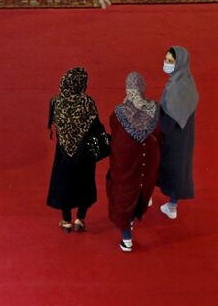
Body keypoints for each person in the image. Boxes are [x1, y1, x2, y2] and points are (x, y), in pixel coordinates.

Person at [107, 72, 162, 252]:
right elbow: (160, 135)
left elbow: (115, 132)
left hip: (126, 160)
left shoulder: (119, 113)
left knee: (123, 191)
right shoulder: (154, 109)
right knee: (140, 188)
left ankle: (127, 238)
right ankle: (134, 217)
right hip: (148, 159)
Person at [46, 67, 106, 233]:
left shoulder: (56, 101)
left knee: (64, 184)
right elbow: (96, 128)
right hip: (84, 154)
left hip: (63, 153)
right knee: (84, 185)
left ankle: (66, 221)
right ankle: (80, 219)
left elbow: (52, 124)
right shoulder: (87, 103)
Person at [158, 46, 199, 220]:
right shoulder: (188, 82)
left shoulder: (174, 89)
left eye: (170, 61)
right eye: (166, 60)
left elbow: (168, 118)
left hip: (171, 137)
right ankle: (172, 205)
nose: (166, 64)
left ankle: (146, 199)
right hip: (185, 137)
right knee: (180, 170)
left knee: (158, 166)